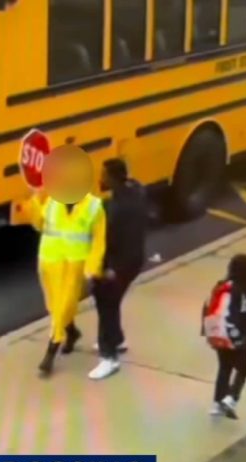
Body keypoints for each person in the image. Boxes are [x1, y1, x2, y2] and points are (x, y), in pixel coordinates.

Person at [27, 145, 107, 378]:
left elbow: (99, 240)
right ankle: (71, 332)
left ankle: (52, 349)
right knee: (55, 306)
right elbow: (40, 224)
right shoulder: (53, 199)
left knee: (65, 304)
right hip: (49, 260)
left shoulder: (94, 207)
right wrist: (35, 199)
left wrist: (93, 267)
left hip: (74, 264)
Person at [88, 159, 148, 381]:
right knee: (110, 300)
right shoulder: (137, 191)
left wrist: (110, 269)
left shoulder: (118, 209)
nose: (100, 179)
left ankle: (109, 357)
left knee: (105, 301)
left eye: (104, 175)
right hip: (133, 260)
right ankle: (118, 339)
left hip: (121, 263)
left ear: (113, 178)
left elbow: (112, 241)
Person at [202, 253, 246, 419]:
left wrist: (207, 332)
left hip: (218, 333)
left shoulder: (221, 286)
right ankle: (231, 398)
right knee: (243, 369)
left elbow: (208, 307)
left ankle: (217, 403)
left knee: (224, 367)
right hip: (239, 336)